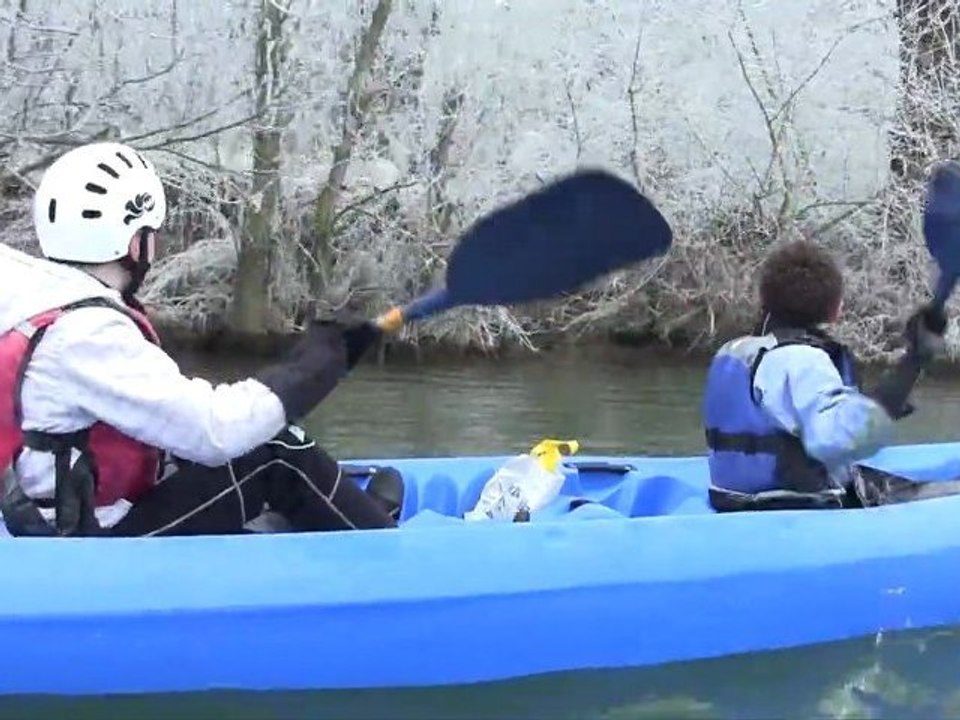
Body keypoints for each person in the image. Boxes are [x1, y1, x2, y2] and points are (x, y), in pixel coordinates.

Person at [0, 141, 404, 537]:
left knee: (205, 453)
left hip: (57, 512)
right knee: (275, 452)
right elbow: (216, 430)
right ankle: (384, 545)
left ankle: (344, 516)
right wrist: (317, 364)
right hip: (90, 541)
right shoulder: (86, 334)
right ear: (136, 243)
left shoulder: (33, 299)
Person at [702, 239, 960, 512]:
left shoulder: (733, 352)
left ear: (765, 298)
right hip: (791, 503)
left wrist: (885, 401)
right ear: (835, 309)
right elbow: (844, 439)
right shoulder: (803, 360)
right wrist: (914, 360)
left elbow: (784, 412)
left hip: (730, 497)